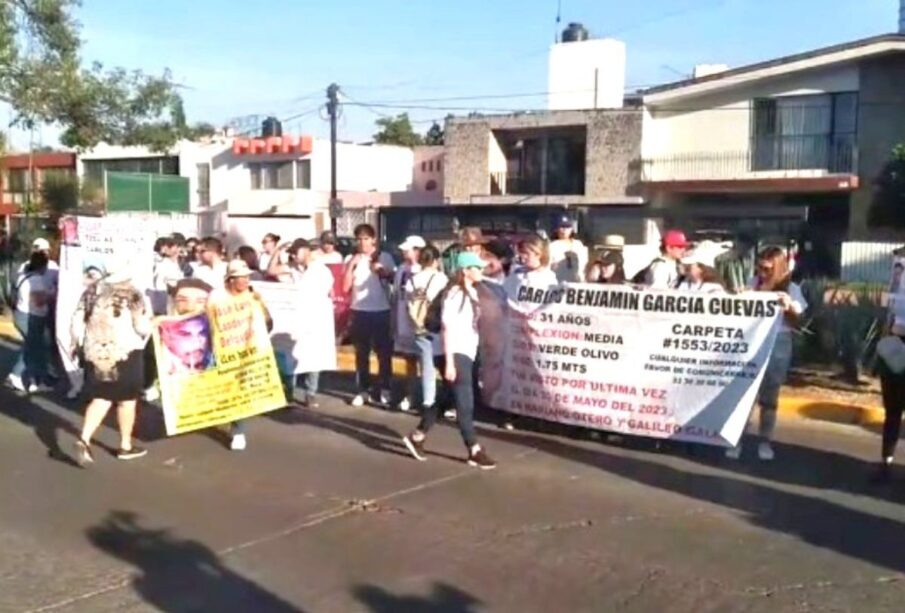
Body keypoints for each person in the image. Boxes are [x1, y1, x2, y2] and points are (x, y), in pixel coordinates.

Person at [402, 251, 497, 470]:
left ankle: (417, 436)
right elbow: (447, 327)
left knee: (447, 398)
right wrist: (451, 362)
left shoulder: (472, 291)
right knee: (465, 402)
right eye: (477, 267)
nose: (481, 271)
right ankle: (474, 449)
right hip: (454, 352)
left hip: (468, 351)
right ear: (465, 271)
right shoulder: (455, 293)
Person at [726, 246, 806, 462]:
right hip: (751, 342)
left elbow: (798, 322)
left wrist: (788, 308)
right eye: (759, 267)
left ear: (778, 267)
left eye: (767, 269)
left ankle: (765, 440)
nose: (762, 272)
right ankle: (737, 439)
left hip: (778, 342)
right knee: (744, 393)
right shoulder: (753, 285)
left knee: (770, 396)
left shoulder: (791, 289)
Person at [70, 262, 153, 467]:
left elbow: (76, 321)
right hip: (125, 352)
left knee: (102, 397)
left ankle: (84, 438)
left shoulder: (91, 291)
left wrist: (80, 344)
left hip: (95, 352)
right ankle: (125, 445)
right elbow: (141, 326)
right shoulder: (132, 294)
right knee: (127, 400)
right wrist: (153, 324)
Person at [209, 260, 274, 451]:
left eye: (247, 277)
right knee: (226, 390)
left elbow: (268, 322)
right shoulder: (216, 296)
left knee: (240, 391)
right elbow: (207, 320)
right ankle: (226, 419)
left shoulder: (253, 296)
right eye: (242, 277)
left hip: (247, 351)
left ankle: (238, 431)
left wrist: (260, 304)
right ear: (231, 280)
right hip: (224, 350)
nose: (246, 280)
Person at [269, 238, 334, 407]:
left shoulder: (321, 270)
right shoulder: (292, 268)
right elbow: (271, 270)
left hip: (314, 318)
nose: (293, 256)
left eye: (295, 252)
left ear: (305, 251)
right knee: (292, 354)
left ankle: (310, 393)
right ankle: (288, 392)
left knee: (313, 356)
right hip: (296, 318)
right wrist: (277, 251)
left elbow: (327, 292)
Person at [343, 224, 396, 408]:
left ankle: (385, 388)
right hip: (359, 311)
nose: (362, 242)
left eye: (366, 238)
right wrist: (351, 264)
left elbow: (392, 278)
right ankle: (362, 389)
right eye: (359, 239)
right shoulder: (352, 258)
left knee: (384, 354)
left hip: (381, 311)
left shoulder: (384, 256)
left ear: (373, 239)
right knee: (361, 354)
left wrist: (380, 270)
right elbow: (345, 287)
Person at [402, 245, 448, 415]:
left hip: (418, 325)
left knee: (426, 365)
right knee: (444, 365)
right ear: (435, 261)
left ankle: (428, 401)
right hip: (437, 325)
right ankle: (447, 402)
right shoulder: (441, 278)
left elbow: (408, 302)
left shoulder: (413, 280)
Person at [7, 251, 52, 393]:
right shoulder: (36, 280)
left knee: (34, 347)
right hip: (32, 317)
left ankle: (36, 380)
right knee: (33, 349)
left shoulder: (23, 276)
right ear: (43, 265)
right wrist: (51, 295)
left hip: (21, 315)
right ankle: (17, 375)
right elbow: (38, 301)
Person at [393, 235, 426, 411]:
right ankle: (410, 394)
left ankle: (429, 399)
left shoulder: (425, 269)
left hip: (419, 323)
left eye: (408, 249)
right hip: (403, 322)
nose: (404, 251)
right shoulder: (401, 269)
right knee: (409, 361)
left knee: (425, 361)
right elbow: (397, 295)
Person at [549, 214, 588, 283]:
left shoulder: (578, 244)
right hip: (559, 282)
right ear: (556, 229)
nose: (564, 230)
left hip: (578, 282)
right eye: (562, 226)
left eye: (567, 227)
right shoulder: (552, 246)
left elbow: (584, 264)